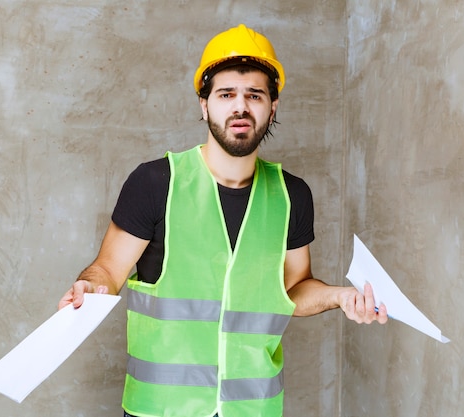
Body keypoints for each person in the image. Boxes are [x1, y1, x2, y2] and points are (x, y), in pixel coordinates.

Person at [58, 23, 387, 417]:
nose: (240, 107)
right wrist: (90, 288)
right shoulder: (156, 182)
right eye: (226, 94)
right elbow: (108, 270)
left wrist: (340, 296)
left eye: (254, 95)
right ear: (204, 104)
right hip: (161, 411)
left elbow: (293, 289)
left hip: (254, 409)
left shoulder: (291, 195)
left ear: (273, 106)